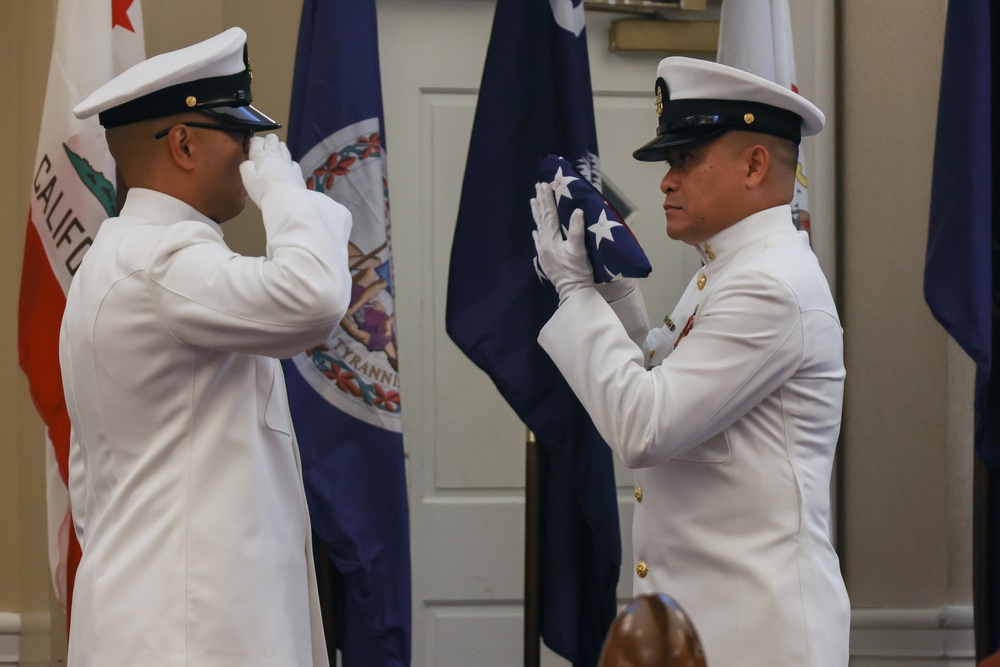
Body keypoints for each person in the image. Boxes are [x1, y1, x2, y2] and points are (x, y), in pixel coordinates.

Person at [531, 56, 850, 666]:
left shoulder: (768, 285)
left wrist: (575, 294)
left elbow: (646, 427)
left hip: (755, 637)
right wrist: (613, 293)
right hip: (712, 628)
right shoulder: (730, 271)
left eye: (684, 159)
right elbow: (663, 382)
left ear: (755, 165)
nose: (666, 181)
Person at [60, 28, 352, 667]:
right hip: (187, 634)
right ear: (185, 143)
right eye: (242, 137)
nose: (254, 155)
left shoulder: (129, 257)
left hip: (173, 619)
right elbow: (315, 298)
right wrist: (286, 194)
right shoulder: (159, 262)